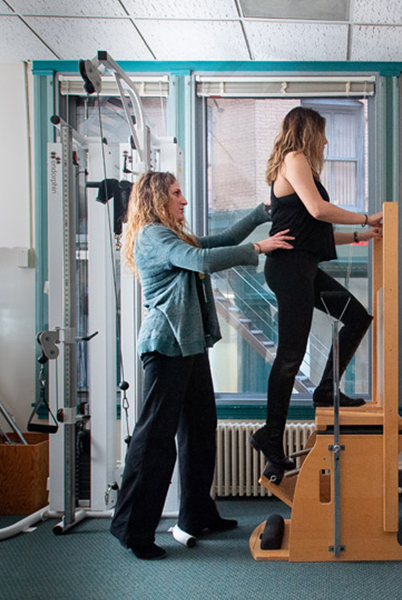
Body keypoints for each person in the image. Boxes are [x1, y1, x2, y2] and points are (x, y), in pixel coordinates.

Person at [110, 171, 293, 560]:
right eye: (176, 193)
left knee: (199, 431)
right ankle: (132, 530)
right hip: (166, 346)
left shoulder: (173, 236)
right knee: (155, 440)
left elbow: (220, 241)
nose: (184, 200)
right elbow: (201, 260)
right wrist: (258, 247)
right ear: (157, 198)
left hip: (189, 346)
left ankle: (197, 514)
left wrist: (261, 212)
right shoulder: (153, 235)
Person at [250, 106, 383, 472]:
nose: (326, 141)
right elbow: (319, 210)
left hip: (303, 268)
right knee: (291, 355)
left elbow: (315, 232)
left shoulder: (302, 169)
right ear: (308, 132)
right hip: (289, 269)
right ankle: (270, 435)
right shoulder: (294, 159)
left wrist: (362, 234)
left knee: (356, 317)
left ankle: (326, 389)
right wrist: (366, 216)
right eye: (323, 133)